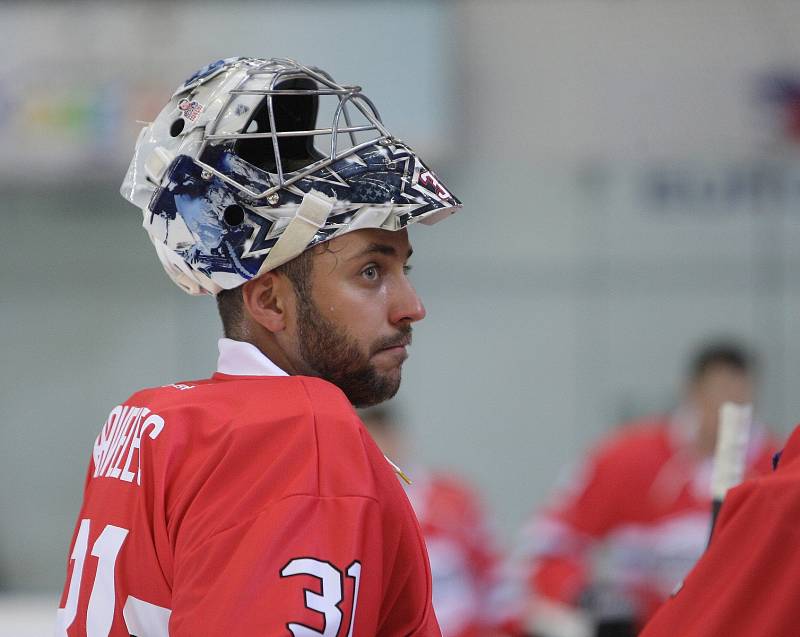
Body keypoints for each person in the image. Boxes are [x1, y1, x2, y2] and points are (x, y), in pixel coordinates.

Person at [54, 57, 461, 636]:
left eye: (403, 269)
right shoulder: (303, 432)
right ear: (269, 302)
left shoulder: (148, 418)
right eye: (371, 271)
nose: (411, 305)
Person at [499, 342, 778, 637]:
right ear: (692, 391)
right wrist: (585, 594)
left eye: (739, 395)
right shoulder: (626, 459)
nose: (727, 406)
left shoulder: (774, 469)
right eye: (718, 392)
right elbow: (546, 544)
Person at [361, 406, 503, 637]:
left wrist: (505, 625)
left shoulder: (452, 497)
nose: (381, 449)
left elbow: (490, 567)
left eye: (385, 438)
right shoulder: (353, 505)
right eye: (372, 440)